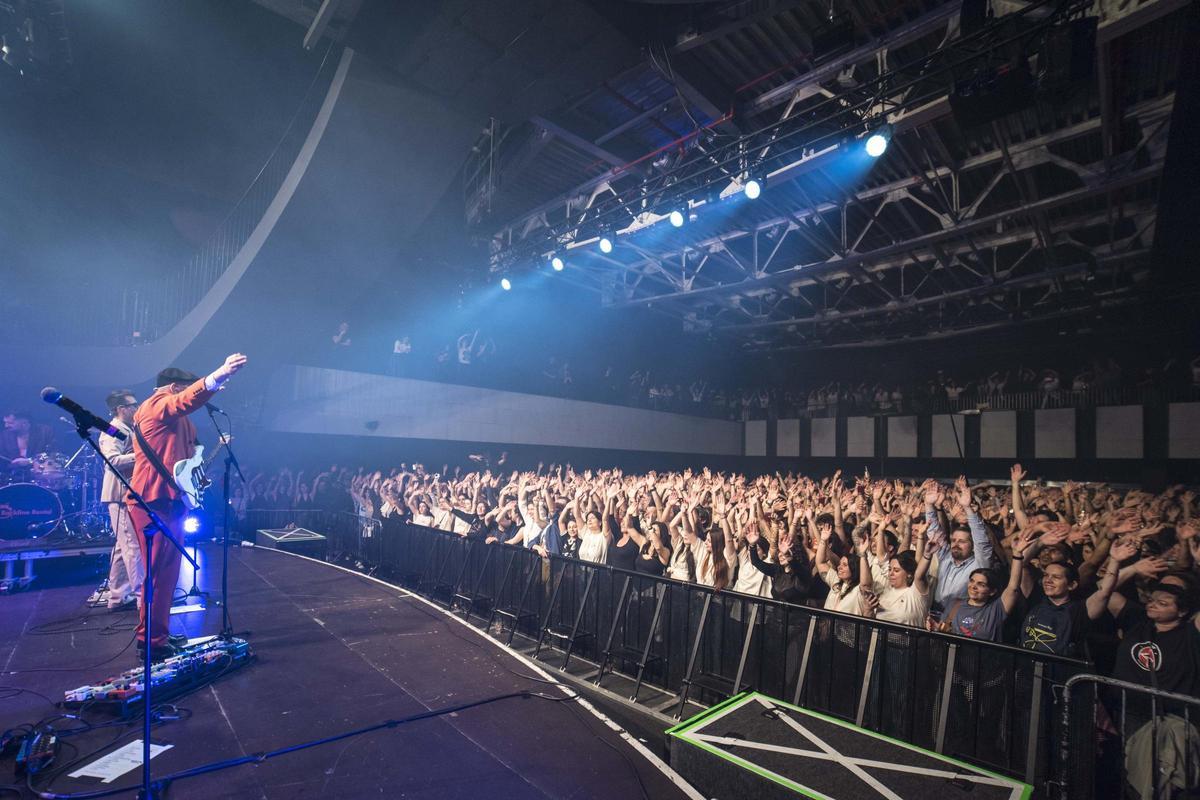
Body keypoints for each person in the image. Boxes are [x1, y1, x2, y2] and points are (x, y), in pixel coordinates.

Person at [126, 353, 248, 661]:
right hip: (152, 498)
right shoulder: (156, 405)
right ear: (174, 386)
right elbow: (183, 401)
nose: (190, 391)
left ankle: (158, 633)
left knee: (167, 571)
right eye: (187, 386)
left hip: (172, 498)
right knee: (158, 572)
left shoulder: (182, 421)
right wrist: (218, 375)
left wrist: (196, 478)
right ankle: (150, 641)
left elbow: (186, 458)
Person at [99, 390, 143, 612]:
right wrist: (143, 455)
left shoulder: (128, 429)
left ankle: (117, 596)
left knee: (122, 547)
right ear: (120, 409)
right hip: (119, 494)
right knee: (133, 546)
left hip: (126, 492)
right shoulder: (113, 429)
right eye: (132, 405)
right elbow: (112, 461)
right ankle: (141, 597)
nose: (136, 408)